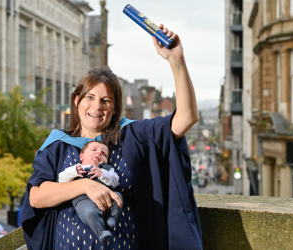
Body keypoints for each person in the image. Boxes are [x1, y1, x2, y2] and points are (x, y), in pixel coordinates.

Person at [22, 24, 203, 250]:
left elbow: (187, 117)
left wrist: (176, 60)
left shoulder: (134, 136)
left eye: (105, 100)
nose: (96, 107)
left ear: (115, 108)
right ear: (76, 101)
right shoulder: (58, 145)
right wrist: (85, 186)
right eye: (89, 97)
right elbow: (37, 197)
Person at [58, 141, 123, 244]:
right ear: (81, 156)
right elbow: (61, 180)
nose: (99, 153)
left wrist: (102, 174)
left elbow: (115, 181)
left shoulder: (106, 169)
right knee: (90, 212)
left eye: (104, 154)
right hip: (83, 200)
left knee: (118, 197)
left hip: (107, 198)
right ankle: (101, 232)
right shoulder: (76, 168)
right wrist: (74, 172)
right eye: (93, 150)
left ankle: (111, 218)